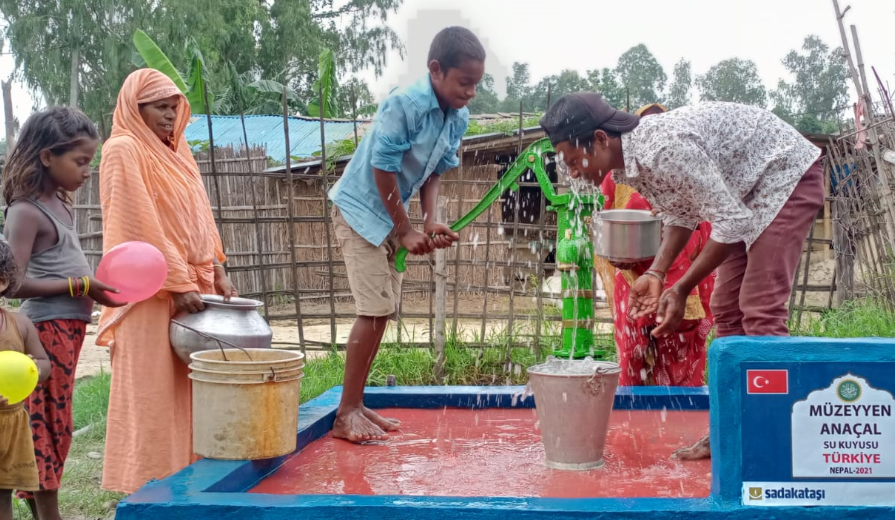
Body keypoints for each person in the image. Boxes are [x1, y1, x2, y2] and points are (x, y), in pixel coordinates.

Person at [540, 93, 824, 460]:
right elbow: (682, 215)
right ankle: (732, 433)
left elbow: (730, 221)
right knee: (726, 307)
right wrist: (658, 272)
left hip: (785, 175)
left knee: (760, 307)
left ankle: (777, 443)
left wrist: (682, 286)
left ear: (599, 139)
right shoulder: (630, 163)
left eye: (575, 160)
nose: (574, 172)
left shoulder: (661, 149)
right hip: (745, 192)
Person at [327, 26, 483, 443]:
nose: (470, 93)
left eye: (476, 85)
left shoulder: (458, 116)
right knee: (374, 310)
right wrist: (405, 229)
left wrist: (429, 220)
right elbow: (383, 167)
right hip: (361, 212)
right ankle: (346, 413)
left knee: (384, 309)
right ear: (436, 69)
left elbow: (435, 172)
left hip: (391, 218)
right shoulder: (406, 104)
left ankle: (356, 403)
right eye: (464, 82)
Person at [96, 68, 237, 494]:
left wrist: (216, 267)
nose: (170, 117)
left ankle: (193, 489)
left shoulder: (179, 152)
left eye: (175, 108)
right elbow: (136, 222)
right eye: (160, 107)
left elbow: (200, 214)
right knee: (154, 398)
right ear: (135, 109)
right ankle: (150, 491)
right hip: (153, 293)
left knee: (195, 397)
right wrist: (177, 281)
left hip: (194, 289)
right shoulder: (122, 149)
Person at [1, 107, 124, 520]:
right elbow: (12, 283)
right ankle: (49, 514)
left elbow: (66, 268)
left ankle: (43, 511)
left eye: (91, 161)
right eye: (81, 161)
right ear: (47, 156)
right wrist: (81, 286)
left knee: (58, 420)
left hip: (68, 330)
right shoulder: (26, 211)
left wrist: (96, 293)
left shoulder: (61, 205)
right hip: (43, 331)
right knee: (46, 424)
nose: (87, 170)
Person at [596, 103, 714, 387]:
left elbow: (707, 224)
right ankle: (633, 421)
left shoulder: (685, 164)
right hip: (633, 274)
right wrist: (615, 255)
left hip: (686, 274)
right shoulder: (618, 174)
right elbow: (605, 220)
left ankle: (680, 417)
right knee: (633, 351)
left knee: (682, 350)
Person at [0, 235, 51, 520]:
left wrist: (33, 370)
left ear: (0, 282)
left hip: (13, 426)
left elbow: (43, 362)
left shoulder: (20, 323)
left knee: (2, 492)